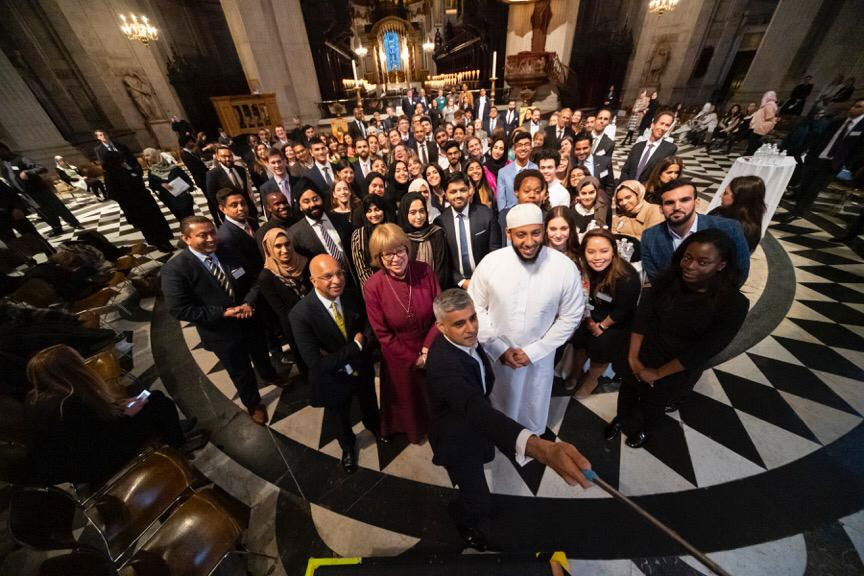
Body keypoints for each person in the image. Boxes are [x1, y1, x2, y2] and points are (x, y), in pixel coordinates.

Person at [426, 289, 592, 551]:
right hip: (457, 440)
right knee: (479, 502)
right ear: (441, 326)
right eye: (459, 323)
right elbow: (473, 410)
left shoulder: (466, 341)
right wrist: (539, 448)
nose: (471, 328)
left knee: (480, 469)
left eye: (473, 318)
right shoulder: (444, 365)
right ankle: (462, 519)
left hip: (475, 430)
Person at [607, 229, 749, 448]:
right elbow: (642, 319)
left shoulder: (733, 304)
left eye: (703, 262)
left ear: (721, 265)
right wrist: (634, 358)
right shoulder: (665, 282)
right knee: (628, 390)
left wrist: (658, 373)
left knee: (655, 401)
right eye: (687, 257)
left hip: (677, 365)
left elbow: (706, 349)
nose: (690, 266)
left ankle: (646, 430)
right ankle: (622, 418)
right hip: (644, 349)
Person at [468, 204, 584, 435]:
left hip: (540, 358)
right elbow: (475, 307)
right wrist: (499, 348)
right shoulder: (491, 263)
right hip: (497, 354)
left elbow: (571, 315)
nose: (529, 242)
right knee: (499, 404)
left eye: (536, 233)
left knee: (533, 405)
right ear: (508, 233)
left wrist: (535, 351)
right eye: (521, 234)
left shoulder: (564, 267)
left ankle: (531, 442)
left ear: (543, 230)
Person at [25, 345, 208, 485]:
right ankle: (178, 446)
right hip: (96, 465)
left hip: (73, 467)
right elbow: (107, 434)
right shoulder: (70, 404)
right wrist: (128, 413)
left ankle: (172, 432)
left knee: (147, 402)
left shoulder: (36, 398)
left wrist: (121, 409)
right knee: (157, 401)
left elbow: (94, 429)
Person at [161, 216, 283, 425]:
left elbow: (254, 281)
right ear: (186, 238)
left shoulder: (228, 250)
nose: (211, 239)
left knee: (261, 353)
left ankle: (270, 375)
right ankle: (253, 403)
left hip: (249, 319)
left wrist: (248, 302)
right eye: (203, 235)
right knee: (240, 371)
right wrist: (223, 313)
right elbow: (180, 309)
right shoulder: (175, 269)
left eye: (212, 232)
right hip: (222, 333)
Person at [289, 255, 380, 472]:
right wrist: (355, 347)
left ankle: (375, 426)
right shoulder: (300, 314)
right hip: (333, 379)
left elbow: (366, 326)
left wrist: (363, 342)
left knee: (369, 401)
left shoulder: (352, 295)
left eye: (340, 273)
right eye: (328, 276)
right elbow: (316, 363)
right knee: (339, 416)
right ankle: (347, 446)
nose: (337, 280)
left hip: (362, 368)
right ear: (313, 281)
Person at [364, 224, 440, 444]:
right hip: (398, 354)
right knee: (408, 399)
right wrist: (414, 358)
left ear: (407, 249)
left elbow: (441, 313)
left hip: (432, 344)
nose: (396, 258)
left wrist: (427, 349)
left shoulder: (425, 270)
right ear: (378, 257)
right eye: (387, 254)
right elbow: (382, 335)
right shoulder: (373, 286)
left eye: (399, 251)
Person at [569, 229, 640, 397]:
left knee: (601, 345)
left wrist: (601, 326)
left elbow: (624, 310)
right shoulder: (585, 270)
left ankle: (591, 381)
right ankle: (575, 373)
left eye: (604, 251)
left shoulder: (627, 277)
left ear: (613, 251)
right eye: (591, 252)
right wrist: (588, 319)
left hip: (615, 320)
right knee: (578, 338)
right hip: (590, 313)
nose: (597, 257)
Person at [641, 178, 751, 286]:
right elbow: (657, 281)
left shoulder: (729, 228)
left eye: (684, 200)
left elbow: (739, 272)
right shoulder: (649, 237)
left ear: (696, 203)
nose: (677, 207)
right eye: (669, 203)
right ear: (661, 209)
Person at [780, 98, 864, 224]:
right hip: (816, 158)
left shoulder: (861, 128)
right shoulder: (838, 122)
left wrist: (846, 164)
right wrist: (810, 154)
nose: (853, 108)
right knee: (804, 186)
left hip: (832, 164)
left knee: (813, 190)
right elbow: (821, 138)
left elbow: (858, 150)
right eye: (854, 105)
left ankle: (798, 212)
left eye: (859, 107)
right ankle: (796, 208)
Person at [258, 227, 311, 376]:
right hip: (295, 326)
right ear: (269, 249)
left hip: (319, 317)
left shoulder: (304, 262)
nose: (285, 250)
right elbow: (281, 310)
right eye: (278, 246)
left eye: (287, 244)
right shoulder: (266, 277)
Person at [0, 143, 82, 237]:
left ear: (5, 149)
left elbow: (42, 168)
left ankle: (74, 223)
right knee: (43, 212)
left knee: (57, 207)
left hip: (40, 190)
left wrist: (28, 172)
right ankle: (56, 227)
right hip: (27, 194)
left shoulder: (21, 159)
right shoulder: (3, 165)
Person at [100, 149, 174, 253]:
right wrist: (129, 197)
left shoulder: (125, 169)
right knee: (148, 226)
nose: (123, 161)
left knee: (158, 221)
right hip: (134, 206)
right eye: (120, 159)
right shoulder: (110, 175)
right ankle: (160, 244)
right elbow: (113, 194)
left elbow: (138, 177)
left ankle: (166, 241)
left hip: (145, 200)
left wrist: (132, 171)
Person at [438, 173, 502, 289]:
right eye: (453, 192)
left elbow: (495, 252)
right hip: (456, 286)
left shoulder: (487, 215)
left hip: (486, 282)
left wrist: (481, 280)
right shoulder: (440, 222)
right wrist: (462, 282)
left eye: (462, 190)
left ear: (469, 191)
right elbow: (444, 260)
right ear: (445, 194)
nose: (458, 195)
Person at [399, 190, 450, 288]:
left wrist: (433, 291)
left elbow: (442, 269)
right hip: (408, 291)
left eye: (422, 211)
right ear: (405, 214)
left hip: (435, 290)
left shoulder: (436, 233)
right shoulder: (400, 238)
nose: (419, 216)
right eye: (413, 213)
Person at [708, 176, 767, 253]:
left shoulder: (742, 231)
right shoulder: (720, 211)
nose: (721, 195)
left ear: (739, 199)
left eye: (725, 193)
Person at [619, 110, 677, 183]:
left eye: (667, 125)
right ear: (652, 125)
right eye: (661, 123)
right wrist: (627, 186)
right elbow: (625, 170)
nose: (663, 128)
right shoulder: (637, 146)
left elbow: (665, 176)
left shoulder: (670, 149)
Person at [206, 145, 258, 226]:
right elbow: (212, 197)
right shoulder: (212, 174)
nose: (227, 159)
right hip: (231, 214)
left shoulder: (240, 169)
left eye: (229, 156)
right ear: (218, 157)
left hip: (248, 211)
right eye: (224, 156)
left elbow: (245, 191)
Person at [143, 147, 195, 223]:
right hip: (169, 199)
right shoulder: (151, 171)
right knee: (182, 220)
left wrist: (189, 188)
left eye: (148, 155)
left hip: (183, 196)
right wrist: (161, 185)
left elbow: (186, 178)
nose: (146, 158)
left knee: (191, 218)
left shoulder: (173, 167)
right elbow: (152, 185)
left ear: (155, 155)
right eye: (144, 156)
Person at [351, 194, 389, 288]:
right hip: (372, 286)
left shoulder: (392, 230)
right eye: (369, 211)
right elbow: (362, 270)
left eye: (377, 209)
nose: (374, 214)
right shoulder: (358, 235)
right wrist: (376, 287)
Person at [496, 131, 537, 212]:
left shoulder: (536, 169)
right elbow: (501, 201)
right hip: (510, 215)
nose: (523, 148)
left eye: (526, 144)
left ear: (531, 148)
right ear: (514, 149)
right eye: (519, 145)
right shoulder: (503, 172)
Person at [571, 132, 615, 200]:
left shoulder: (605, 162)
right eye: (578, 149)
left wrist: (605, 202)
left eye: (585, 148)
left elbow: (610, 186)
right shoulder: (571, 164)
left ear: (591, 147)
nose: (581, 152)